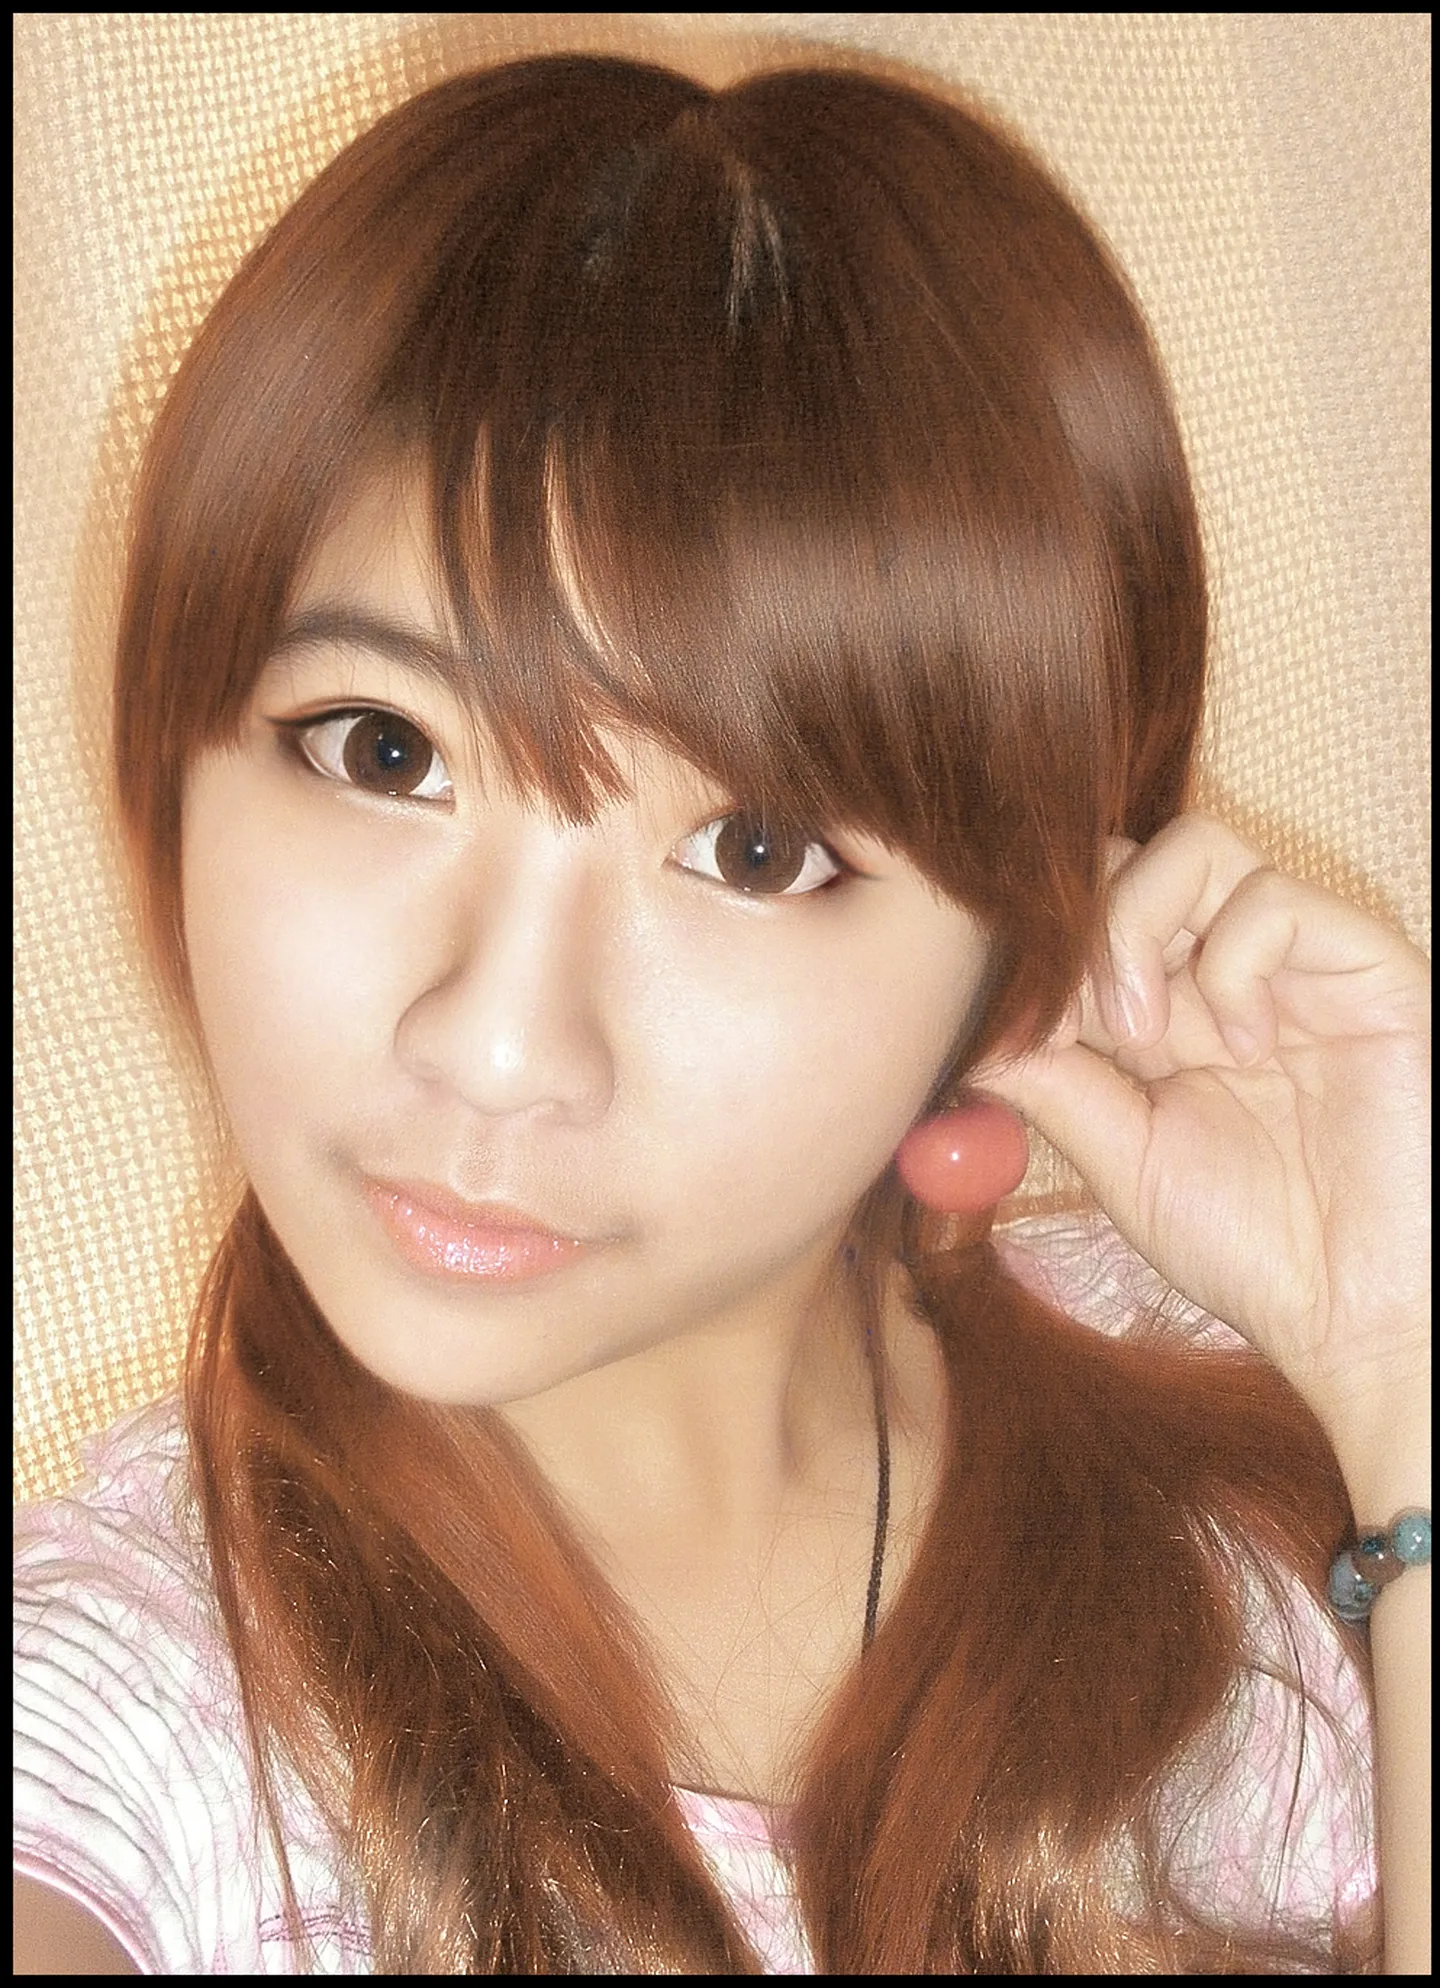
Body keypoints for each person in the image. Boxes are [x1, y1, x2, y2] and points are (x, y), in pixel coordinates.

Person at [13, 49, 1429, 1975]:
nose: (496, 1046)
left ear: (1027, 938)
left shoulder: (1279, 1462)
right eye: (380, 749)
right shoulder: (139, 1729)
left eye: (754, 850)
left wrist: (1399, 1357)